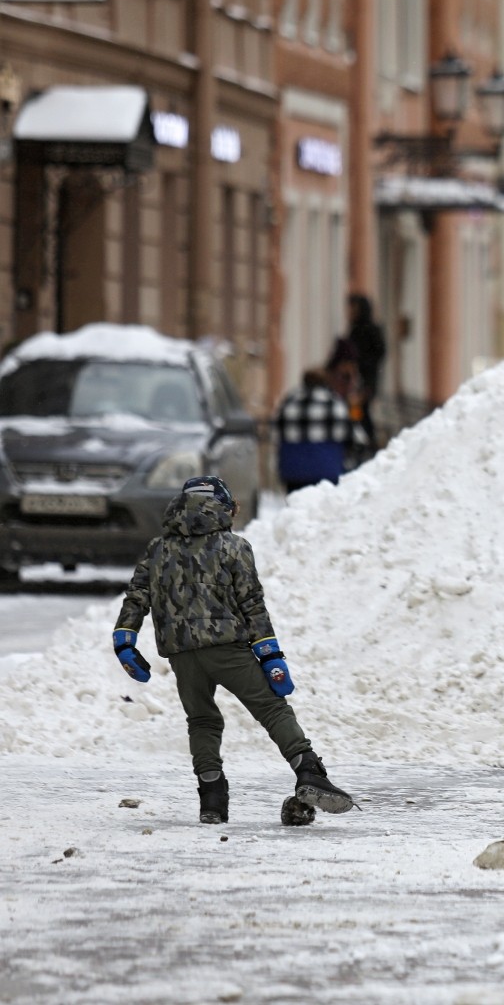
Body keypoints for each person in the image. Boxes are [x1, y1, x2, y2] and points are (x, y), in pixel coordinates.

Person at [111, 475, 356, 826]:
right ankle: (309, 771)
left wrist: (125, 639)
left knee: (202, 720)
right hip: (228, 649)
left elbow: (137, 597)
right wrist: (270, 654)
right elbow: (252, 604)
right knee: (272, 709)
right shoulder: (234, 547)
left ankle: (212, 799)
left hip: (182, 655)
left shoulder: (158, 549)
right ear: (221, 507)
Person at [273, 368, 368, 492]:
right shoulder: (334, 403)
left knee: (296, 506)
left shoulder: (289, 401)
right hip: (327, 470)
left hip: (293, 471)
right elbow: (358, 438)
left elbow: (275, 433)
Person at [338, 294, 386, 447]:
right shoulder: (354, 330)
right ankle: (361, 441)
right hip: (356, 381)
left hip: (365, 381)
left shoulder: (370, 330)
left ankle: (367, 442)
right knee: (356, 411)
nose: (350, 313)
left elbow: (378, 355)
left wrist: (359, 366)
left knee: (361, 411)